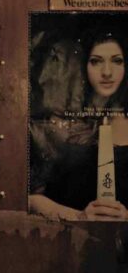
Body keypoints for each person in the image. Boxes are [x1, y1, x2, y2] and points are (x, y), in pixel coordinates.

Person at [29, 31, 128, 221]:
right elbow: (31, 199)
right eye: (96, 61)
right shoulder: (60, 125)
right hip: (69, 239)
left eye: (117, 61)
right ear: (83, 65)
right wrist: (79, 217)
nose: (107, 72)